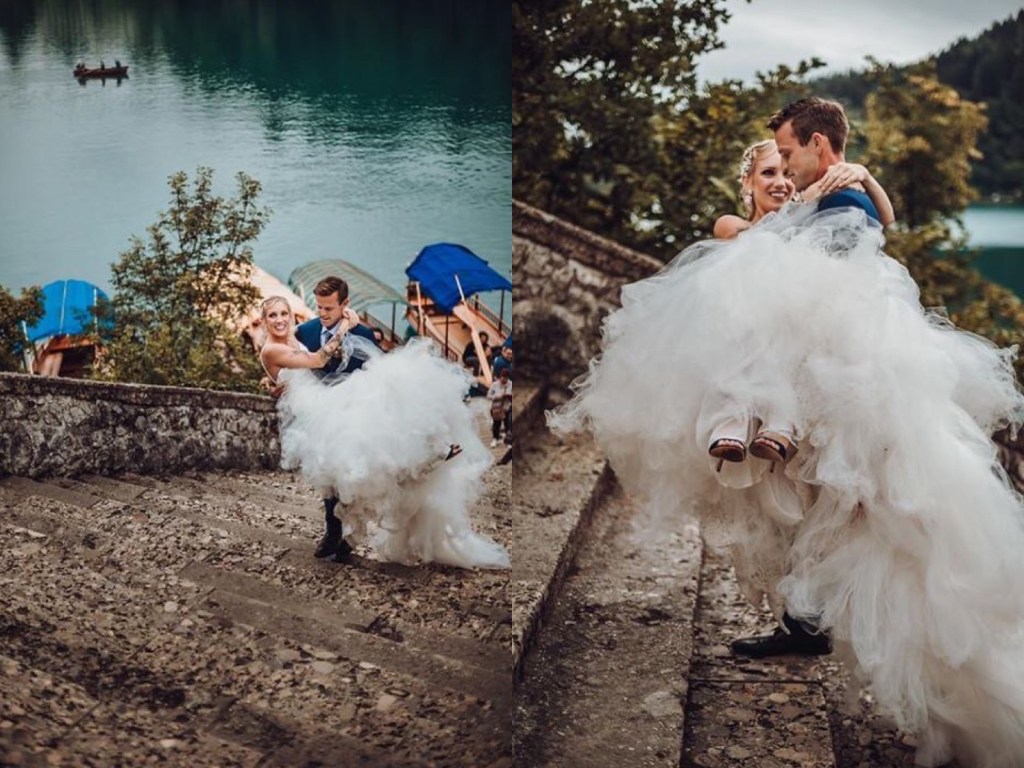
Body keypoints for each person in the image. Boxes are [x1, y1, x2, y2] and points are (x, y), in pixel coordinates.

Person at [551, 96, 1024, 766]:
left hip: (860, 401)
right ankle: (803, 624)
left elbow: (815, 279)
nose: (787, 167)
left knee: (882, 540)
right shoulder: (827, 199)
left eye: (791, 152)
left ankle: (966, 700)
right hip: (822, 392)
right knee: (809, 514)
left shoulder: (841, 207)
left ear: (817, 145)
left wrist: (820, 202)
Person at [259, 286, 509, 570]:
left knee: (366, 444)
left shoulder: (298, 333)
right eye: (272, 315)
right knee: (347, 465)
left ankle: (429, 451)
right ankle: (424, 456)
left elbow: (287, 373)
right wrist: (345, 327)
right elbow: (316, 360)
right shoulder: (273, 347)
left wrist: (272, 383)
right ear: (264, 320)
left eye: (284, 313)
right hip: (314, 409)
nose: (279, 320)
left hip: (325, 398)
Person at [487, 366, 512, 447]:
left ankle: (508, 440)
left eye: (505, 378)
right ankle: (495, 438)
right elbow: (488, 395)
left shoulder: (511, 384)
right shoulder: (494, 384)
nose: (503, 379)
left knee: (508, 424)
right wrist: (496, 396)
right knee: (496, 424)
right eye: (502, 377)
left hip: (507, 406)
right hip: (496, 407)